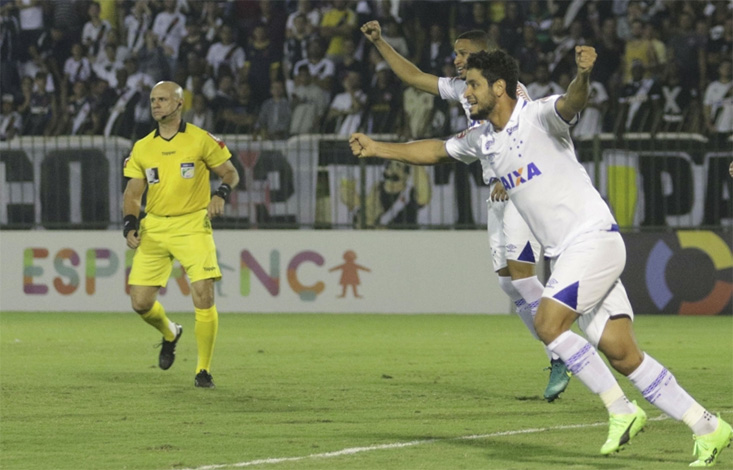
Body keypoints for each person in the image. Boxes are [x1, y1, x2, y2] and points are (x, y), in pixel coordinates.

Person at [348, 46, 733, 467]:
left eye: (474, 85)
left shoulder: (538, 116)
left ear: (500, 87)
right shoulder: (484, 139)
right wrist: (377, 148)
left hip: (593, 240)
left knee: (548, 324)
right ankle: (708, 426)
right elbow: (436, 150)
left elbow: (572, 103)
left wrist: (583, 75)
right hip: (571, 253)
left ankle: (621, 410)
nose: (468, 94)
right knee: (622, 354)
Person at [361, 20, 571, 401]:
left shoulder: (512, 92)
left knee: (523, 277)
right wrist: (380, 43)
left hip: (520, 189)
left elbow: (520, 136)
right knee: (508, 282)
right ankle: (559, 349)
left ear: (480, 57)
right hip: (498, 193)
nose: (455, 59)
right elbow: (413, 76)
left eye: (461, 53)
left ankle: (565, 348)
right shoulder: (464, 90)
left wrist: (506, 175)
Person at [122, 81, 239, 389]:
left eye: (162, 99)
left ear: (178, 104)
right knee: (140, 303)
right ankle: (170, 332)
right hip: (155, 227)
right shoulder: (143, 147)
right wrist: (129, 223)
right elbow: (133, 193)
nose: (155, 105)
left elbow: (230, 171)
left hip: (192, 225)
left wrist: (221, 194)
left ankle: (203, 370)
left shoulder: (200, 139)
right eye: (152, 100)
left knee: (203, 294)